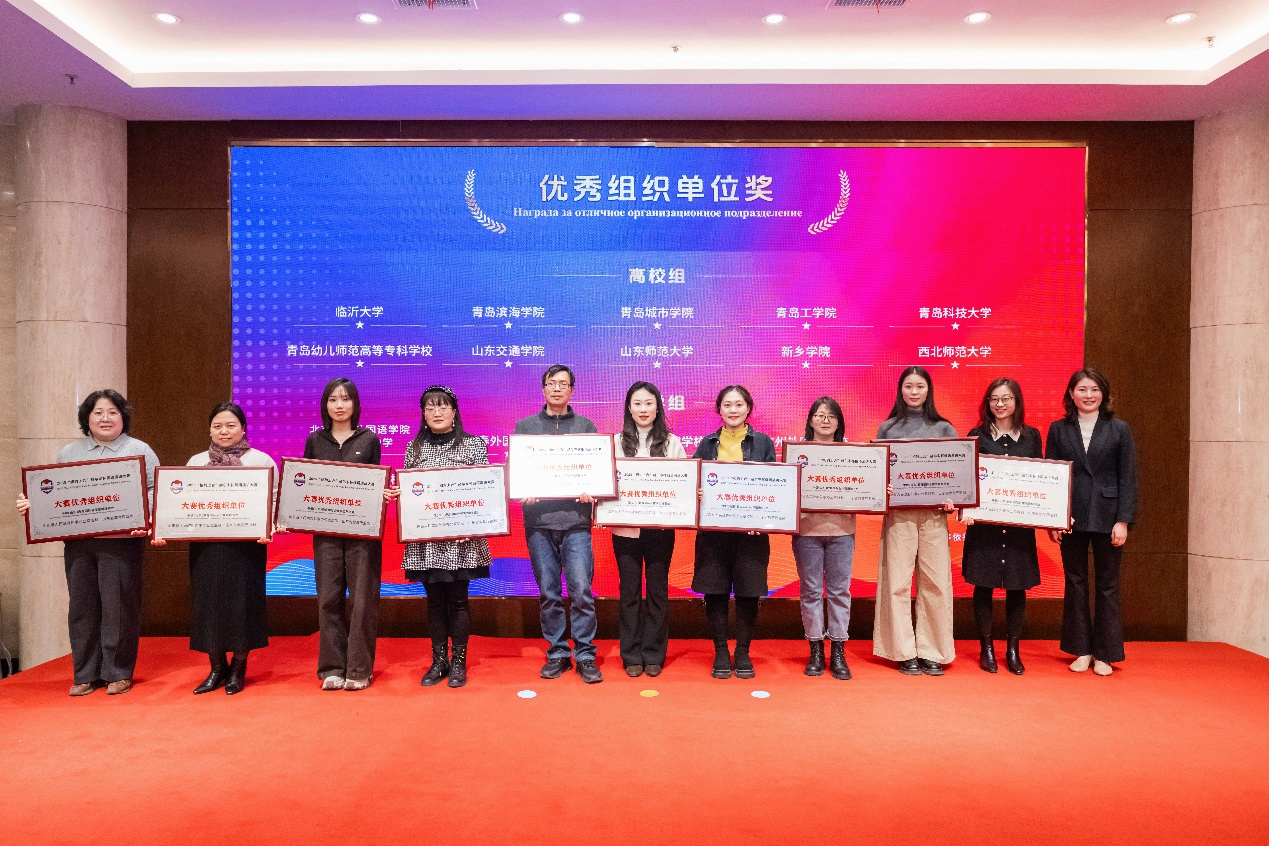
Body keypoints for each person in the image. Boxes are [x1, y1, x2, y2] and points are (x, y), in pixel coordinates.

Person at [15, 390, 159, 696]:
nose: (106, 418)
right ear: (87, 418)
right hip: (79, 543)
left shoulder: (140, 450)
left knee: (119, 608)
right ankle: (85, 673)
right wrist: (33, 506)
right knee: (82, 608)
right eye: (98, 413)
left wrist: (146, 518)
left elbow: (154, 490)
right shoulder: (70, 453)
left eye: (113, 412)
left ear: (123, 417)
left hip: (121, 542)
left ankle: (117, 672)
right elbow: (54, 494)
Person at [158, 402, 274, 696]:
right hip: (206, 547)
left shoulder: (260, 460)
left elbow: (273, 499)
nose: (224, 431)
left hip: (247, 548)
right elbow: (179, 503)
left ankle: (238, 667)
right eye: (217, 426)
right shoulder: (196, 461)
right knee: (208, 604)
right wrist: (164, 528)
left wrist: (269, 527)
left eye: (231, 425)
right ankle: (216, 667)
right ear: (209, 430)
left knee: (243, 604)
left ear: (243, 428)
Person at [1044, 368, 1138, 676]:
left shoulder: (1119, 429)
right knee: (1075, 582)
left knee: (1108, 585)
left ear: (1104, 394)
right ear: (1071, 394)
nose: (1088, 395)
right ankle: (1081, 650)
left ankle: (1105, 654)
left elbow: (1127, 477)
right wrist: (1054, 518)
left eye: (1094, 389)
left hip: (1109, 517)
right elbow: (1051, 476)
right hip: (1070, 516)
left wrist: (1123, 520)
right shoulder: (1059, 429)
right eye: (1082, 389)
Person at [514, 365, 603, 684]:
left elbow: (595, 471)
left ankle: (585, 655)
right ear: (543, 388)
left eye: (563, 384)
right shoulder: (525, 427)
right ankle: (557, 653)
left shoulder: (585, 427)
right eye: (551, 383)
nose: (556, 388)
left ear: (571, 390)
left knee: (581, 590)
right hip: (539, 522)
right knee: (549, 593)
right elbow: (517, 471)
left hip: (576, 522)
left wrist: (592, 488)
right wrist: (522, 490)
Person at [403, 385, 492, 689]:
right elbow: (412, 493)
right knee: (434, 603)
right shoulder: (414, 448)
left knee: (458, 600)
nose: (437, 412)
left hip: (461, 540)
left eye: (443, 406)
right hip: (427, 540)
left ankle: (458, 662)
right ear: (423, 414)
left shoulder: (473, 444)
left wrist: (472, 524)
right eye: (430, 407)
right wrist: (399, 496)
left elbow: (484, 488)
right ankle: (439, 661)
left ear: (454, 411)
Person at [301, 378, 385, 691]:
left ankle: (360, 669)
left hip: (362, 533)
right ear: (325, 405)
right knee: (328, 599)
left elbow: (375, 482)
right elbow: (303, 483)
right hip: (326, 533)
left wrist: (382, 494)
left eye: (345, 399)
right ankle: (332, 668)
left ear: (355, 404)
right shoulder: (315, 440)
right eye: (333, 399)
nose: (339, 405)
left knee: (362, 600)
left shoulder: (369, 439)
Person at [874, 366, 958, 676]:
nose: (914, 391)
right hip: (899, 515)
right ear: (901, 389)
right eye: (908, 386)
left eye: (919, 386)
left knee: (936, 583)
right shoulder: (887, 428)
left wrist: (954, 499)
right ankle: (903, 651)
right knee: (896, 583)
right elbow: (878, 472)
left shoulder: (944, 428)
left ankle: (932, 651)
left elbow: (956, 474)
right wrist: (882, 488)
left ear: (928, 390)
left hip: (934, 515)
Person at [692, 385, 777, 680]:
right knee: (714, 591)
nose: (733, 410)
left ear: (748, 408)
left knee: (748, 592)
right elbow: (693, 481)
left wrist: (762, 520)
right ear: (719, 409)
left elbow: (775, 485)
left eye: (739, 404)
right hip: (714, 533)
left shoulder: (763, 443)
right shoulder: (706, 443)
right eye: (727, 405)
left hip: (751, 533)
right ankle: (719, 651)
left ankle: (742, 651)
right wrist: (697, 491)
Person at [960, 378, 1042, 675]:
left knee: (1017, 586)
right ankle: (987, 648)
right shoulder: (976, 435)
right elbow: (967, 478)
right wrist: (966, 509)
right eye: (994, 399)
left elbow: (1041, 478)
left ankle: (1013, 650)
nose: (1000, 404)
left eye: (1006, 398)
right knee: (983, 585)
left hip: (1019, 525)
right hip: (985, 526)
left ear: (1017, 402)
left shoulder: (1032, 436)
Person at [608, 381, 686, 678]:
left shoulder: (672, 443)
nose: (643, 409)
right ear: (629, 408)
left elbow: (683, 482)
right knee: (629, 592)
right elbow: (605, 482)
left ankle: (653, 652)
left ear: (658, 407)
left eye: (649, 403)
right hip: (625, 530)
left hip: (660, 530)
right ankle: (630, 653)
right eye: (637, 403)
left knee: (657, 591)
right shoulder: (615, 443)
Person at [791, 397, 855, 680]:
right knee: (811, 591)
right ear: (811, 421)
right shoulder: (797, 454)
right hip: (807, 532)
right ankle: (815, 649)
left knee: (840, 592)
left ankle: (838, 650)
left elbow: (867, 488)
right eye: (819, 415)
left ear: (839, 423)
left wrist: (880, 489)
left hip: (842, 531)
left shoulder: (854, 455)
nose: (825, 420)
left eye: (831, 416)